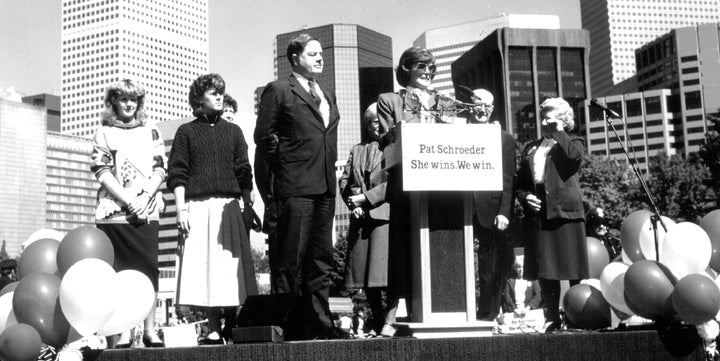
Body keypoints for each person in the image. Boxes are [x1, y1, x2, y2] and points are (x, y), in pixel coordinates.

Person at [254, 34, 343, 340]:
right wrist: (271, 191)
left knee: (321, 261)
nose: (320, 58)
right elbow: (263, 141)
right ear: (295, 58)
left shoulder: (327, 94)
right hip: (294, 189)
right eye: (313, 54)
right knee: (289, 261)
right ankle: (288, 326)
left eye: (321, 54)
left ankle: (321, 323)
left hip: (325, 188)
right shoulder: (279, 90)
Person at [167, 73, 258, 345]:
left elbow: (244, 171)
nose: (219, 96)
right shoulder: (186, 132)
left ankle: (231, 324)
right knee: (206, 269)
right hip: (197, 206)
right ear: (198, 99)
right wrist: (180, 210)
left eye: (221, 91)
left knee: (229, 270)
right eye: (212, 92)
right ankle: (214, 327)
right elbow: (178, 174)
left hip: (229, 207)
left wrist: (248, 205)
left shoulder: (234, 131)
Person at [90, 79, 166, 348]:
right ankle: (123, 331)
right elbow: (101, 171)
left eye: (134, 99)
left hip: (145, 209)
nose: (129, 104)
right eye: (123, 99)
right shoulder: (104, 133)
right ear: (114, 102)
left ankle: (150, 329)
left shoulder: (151, 130)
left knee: (148, 270)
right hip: (115, 213)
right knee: (119, 272)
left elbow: (160, 168)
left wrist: (144, 196)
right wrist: (126, 200)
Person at [375, 46, 441, 337]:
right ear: (407, 70)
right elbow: (391, 138)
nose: (426, 73)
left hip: (440, 187)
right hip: (406, 186)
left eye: (430, 68)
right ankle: (390, 317)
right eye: (420, 67)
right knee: (402, 252)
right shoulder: (388, 100)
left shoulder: (445, 100)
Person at [516, 97, 588, 332]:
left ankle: (579, 316)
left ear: (563, 118)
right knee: (546, 270)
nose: (545, 120)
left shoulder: (574, 140)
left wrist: (559, 131)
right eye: (543, 116)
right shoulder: (531, 147)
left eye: (550, 115)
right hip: (539, 215)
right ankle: (552, 319)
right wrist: (525, 197)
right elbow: (521, 182)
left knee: (574, 268)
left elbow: (574, 159)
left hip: (565, 213)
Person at [339, 103, 390, 336]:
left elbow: (394, 184)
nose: (376, 126)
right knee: (365, 276)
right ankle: (377, 321)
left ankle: (389, 321)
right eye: (372, 122)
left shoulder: (394, 147)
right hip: (361, 219)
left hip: (384, 216)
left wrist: (366, 199)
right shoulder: (357, 149)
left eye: (380, 121)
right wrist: (353, 203)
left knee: (383, 275)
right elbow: (346, 181)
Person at [467, 88, 517, 321]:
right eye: (477, 105)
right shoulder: (459, 133)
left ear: (492, 109)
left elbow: (508, 178)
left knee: (489, 269)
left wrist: (504, 212)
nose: (481, 110)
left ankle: (487, 314)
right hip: (465, 208)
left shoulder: (504, 138)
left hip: (491, 211)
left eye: (486, 106)